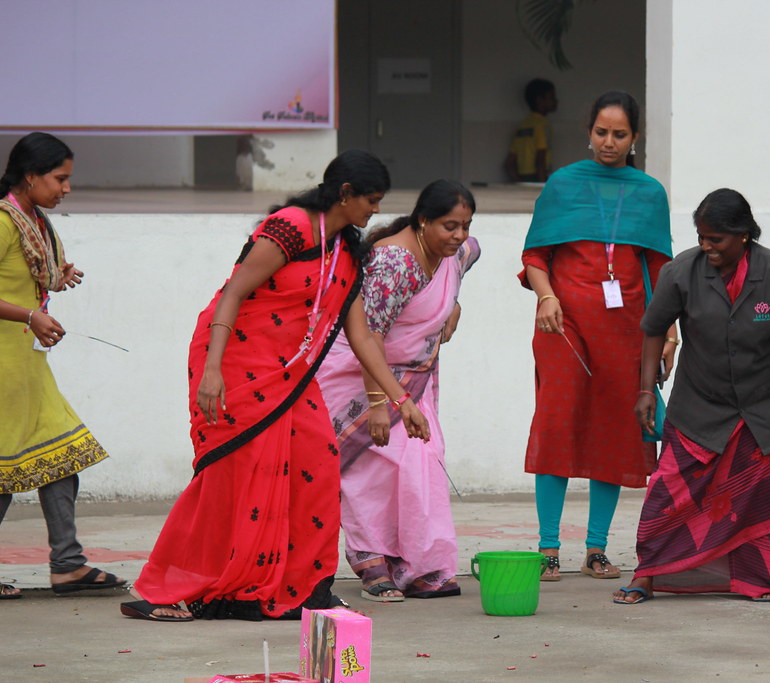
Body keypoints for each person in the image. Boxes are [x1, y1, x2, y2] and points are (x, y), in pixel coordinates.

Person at [120, 150, 430, 622]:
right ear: (345, 193)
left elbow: (361, 334)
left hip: (291, 373)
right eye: (371, 200)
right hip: (232, 362)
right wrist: (213, 371)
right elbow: (233, 293)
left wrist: (401, 399)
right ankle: (168, 589)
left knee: (317, 465)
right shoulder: (291, 226)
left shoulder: (347, 250)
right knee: (233, 477)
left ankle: (298, 586)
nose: (375, 211)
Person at [613, 188, 770, 605]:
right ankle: (647, 575)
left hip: (767, 411)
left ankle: (766, 580)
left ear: (744, 234)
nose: (706, 246)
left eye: (716, 239)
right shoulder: (680, 273)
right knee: (669, 493)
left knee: (766, 498)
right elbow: (654, 329)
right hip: (698, 408)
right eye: (701, 237)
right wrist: (645, 390)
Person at [520, 91, 676, 581]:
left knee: (614, 429)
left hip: (628, 332)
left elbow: (661, 272)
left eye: (620, 134)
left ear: (635, 138)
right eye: (602, 132)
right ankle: (548, 548)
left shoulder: (649, 192)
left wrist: (667, 332)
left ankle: (596, 549)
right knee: (558, 422)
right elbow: (535, 258)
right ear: (589, 132)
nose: (609, 143)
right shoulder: (563, 184)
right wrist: (546, 296)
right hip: (563, 326)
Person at [318, 179, 479, 602]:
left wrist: (455, 305)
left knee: (422, 462)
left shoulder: (455, 251)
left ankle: (419, 564)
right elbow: (368, 339)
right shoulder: (394, 264)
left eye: (465, 225)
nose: (459, 235)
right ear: (422, 220)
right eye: (449, 226)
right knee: (369, 468)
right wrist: (380, 404)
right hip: (359, 374)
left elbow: (468, 256)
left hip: (414, 376)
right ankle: (370, 557)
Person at [0, 132, 126, 599]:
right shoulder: (3, 222)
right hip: (5, 368)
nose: (66, 188)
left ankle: (68, 565)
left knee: (60, 459)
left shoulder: (34, 222)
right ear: (30, 177)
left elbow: (31, 276)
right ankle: (68, 564)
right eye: (60, 178)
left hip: (24, 367)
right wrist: (31, 314)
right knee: (8, 474)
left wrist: (54, 282)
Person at [505, 78, 558, 183]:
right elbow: (540, 158)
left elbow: (509, 162)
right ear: (540, 100)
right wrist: (543, 185)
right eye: (551, 97)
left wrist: (518, 183)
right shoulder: (542, 125)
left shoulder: (523, 125)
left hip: (523, 178)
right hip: (539, 177)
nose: (555, 101)